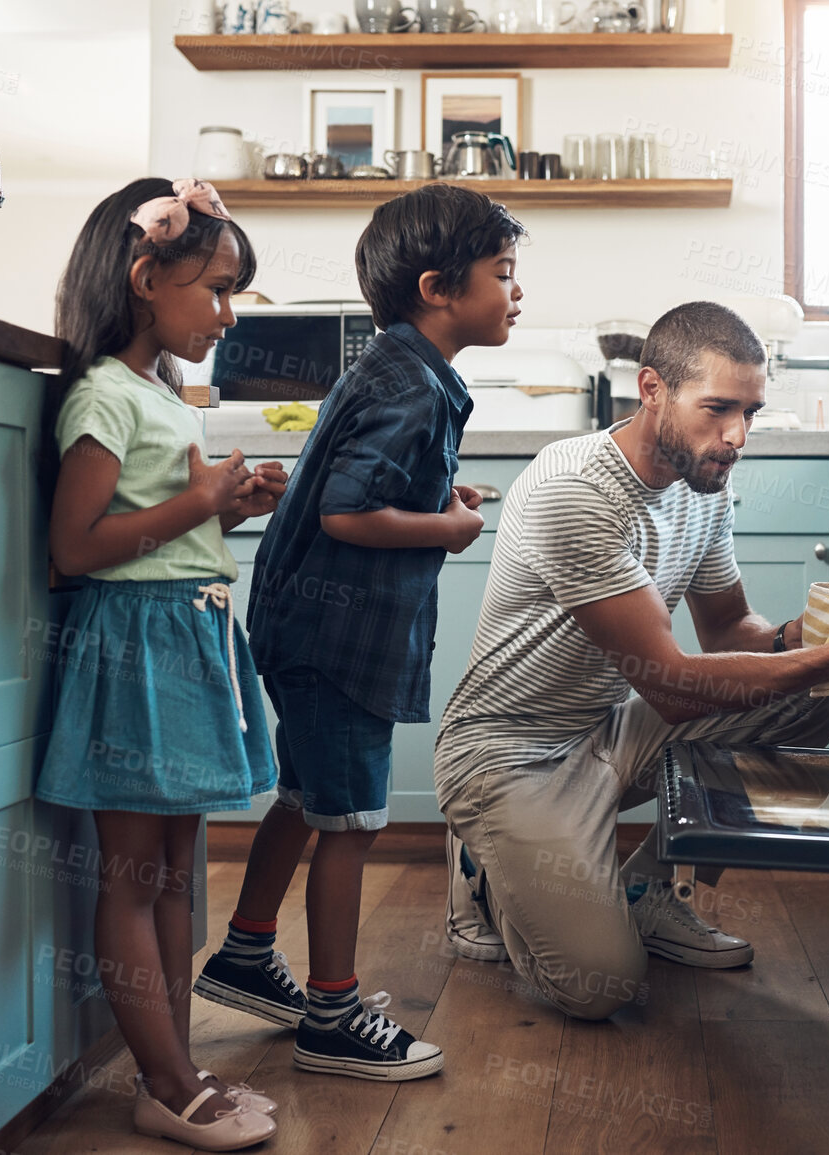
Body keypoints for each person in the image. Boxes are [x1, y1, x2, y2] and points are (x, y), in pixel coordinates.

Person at [433, 300, 829, 1021]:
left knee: (811, 704)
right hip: (507, 755)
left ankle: (646, 891)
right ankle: (482, 870)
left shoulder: (702, 483)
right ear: (651, 390)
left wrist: (814, 633)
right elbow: (675, 687)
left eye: (751, 412)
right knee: (597, 985)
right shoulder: (576, 489)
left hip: (608, 728)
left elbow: (730, 629)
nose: (737, 436)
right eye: (717, 409)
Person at [193, 184, 525, 1079]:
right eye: (503, 273)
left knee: (306, 798)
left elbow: (365, 489)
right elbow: (347, 511)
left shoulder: (402, 370)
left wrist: (434, 501)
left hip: (307, 627)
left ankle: (247, 955)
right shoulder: (409, 385)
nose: (515, 290)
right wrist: (449, 529)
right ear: (437, 287)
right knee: (353, 822)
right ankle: (333, 1015)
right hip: (338, 643)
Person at [37, 177, 288, 1151]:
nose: (226, 316)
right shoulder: (103, 393)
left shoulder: (164, 395)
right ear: (146, 276)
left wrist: (227, 506)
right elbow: (76, 545)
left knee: (179, 875)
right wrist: (196, 507)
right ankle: (167, 1079)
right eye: (217, 291)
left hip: (184, 634)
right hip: (136, 642)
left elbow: (163, 522)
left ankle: (174, 1070)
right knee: (136, 876)